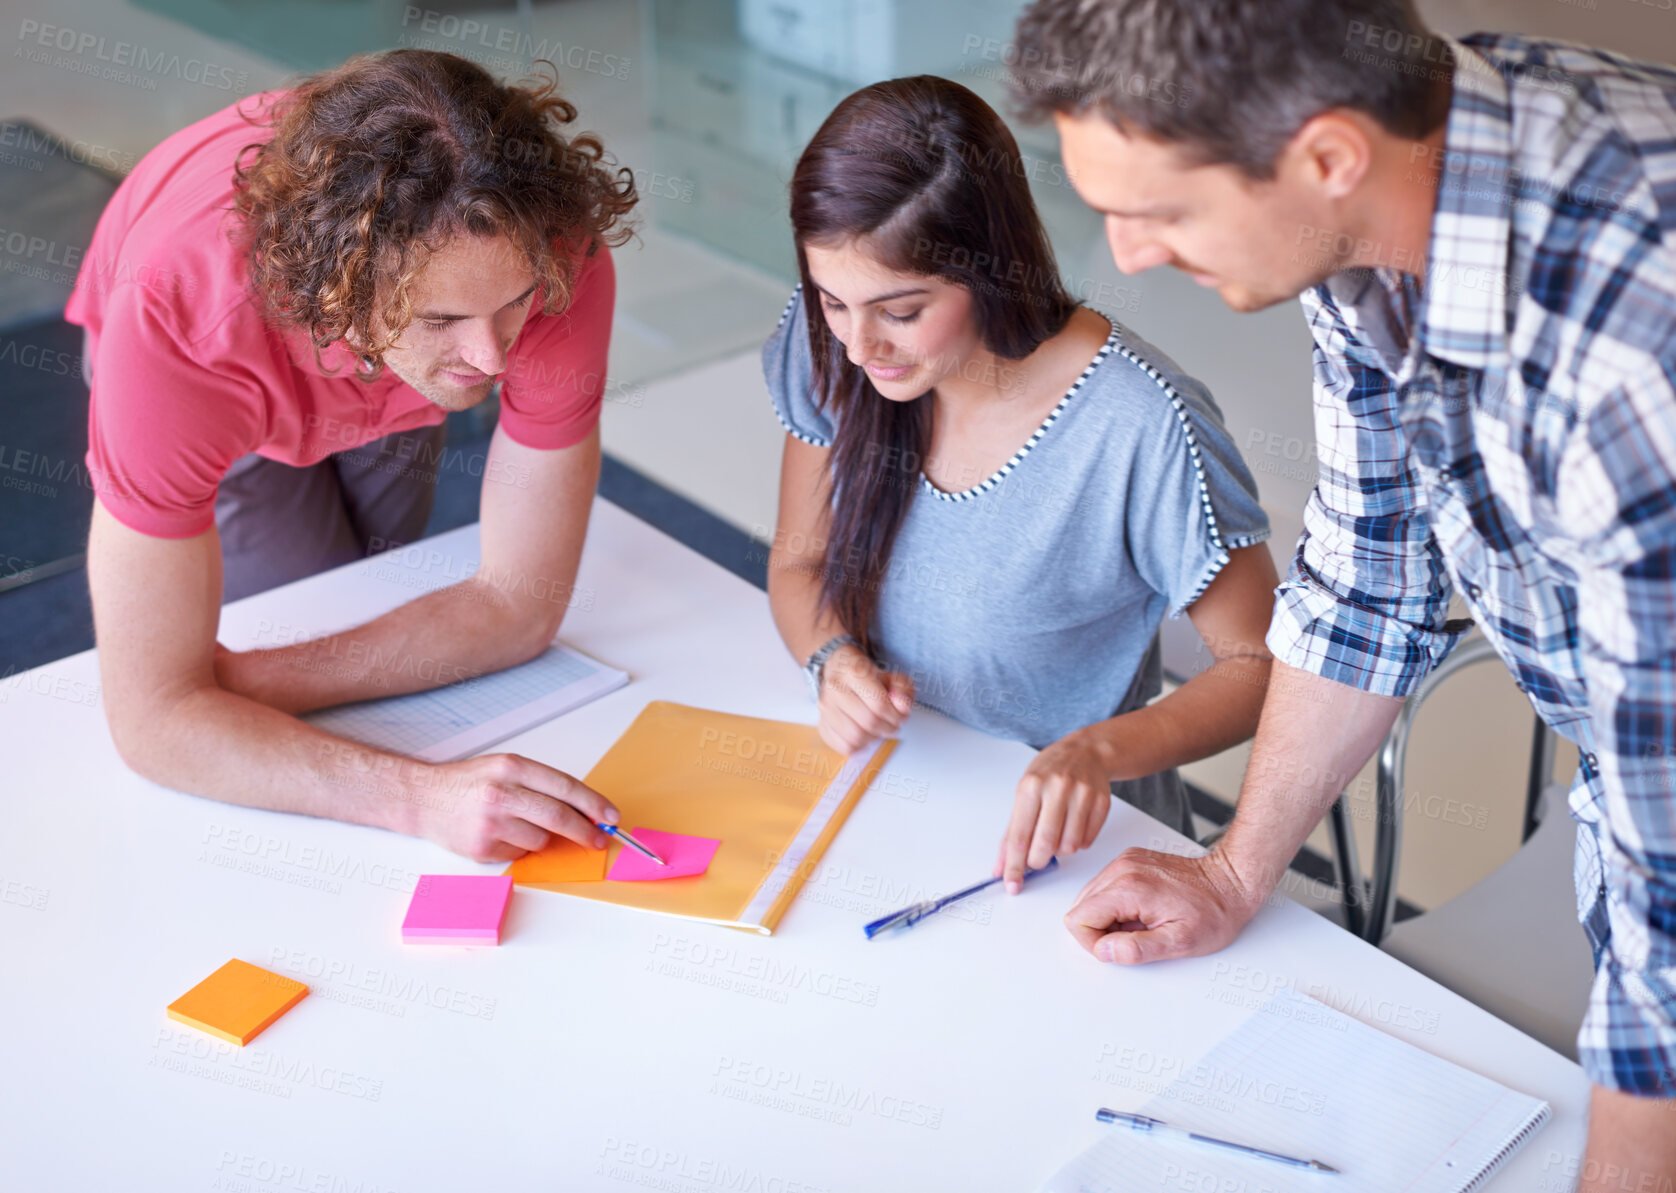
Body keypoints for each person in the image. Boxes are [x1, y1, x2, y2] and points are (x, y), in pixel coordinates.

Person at [1011, 0, 1676, 1183]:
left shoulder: (1636, 351)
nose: (1127, 258)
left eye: (1156, 211)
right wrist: (1229, 871)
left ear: (1324, 155)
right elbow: (1367, 574)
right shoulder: (1385, 196)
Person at [66, 49, 637, 862]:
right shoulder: (178, 321)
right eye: (443, 319)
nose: (496, 358)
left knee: (367, 571)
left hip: (386, 355)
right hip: (225, 363)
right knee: (305, 594)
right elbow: (152, 720)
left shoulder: (549, 256)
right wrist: (421, 796)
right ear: (336, 295)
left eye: (513, 306)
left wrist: (234, 684)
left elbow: (517, 608)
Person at [762, 76, 1280, 889]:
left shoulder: (1140, 423)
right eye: (833, 301)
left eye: (901, 312)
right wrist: (832, 660)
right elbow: (799, 563)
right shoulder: (835, 340)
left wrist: (1095, 750)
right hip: (886, 801)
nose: (860, 347)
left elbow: (1260, 665)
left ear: (990, 267)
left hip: (1068, 853)